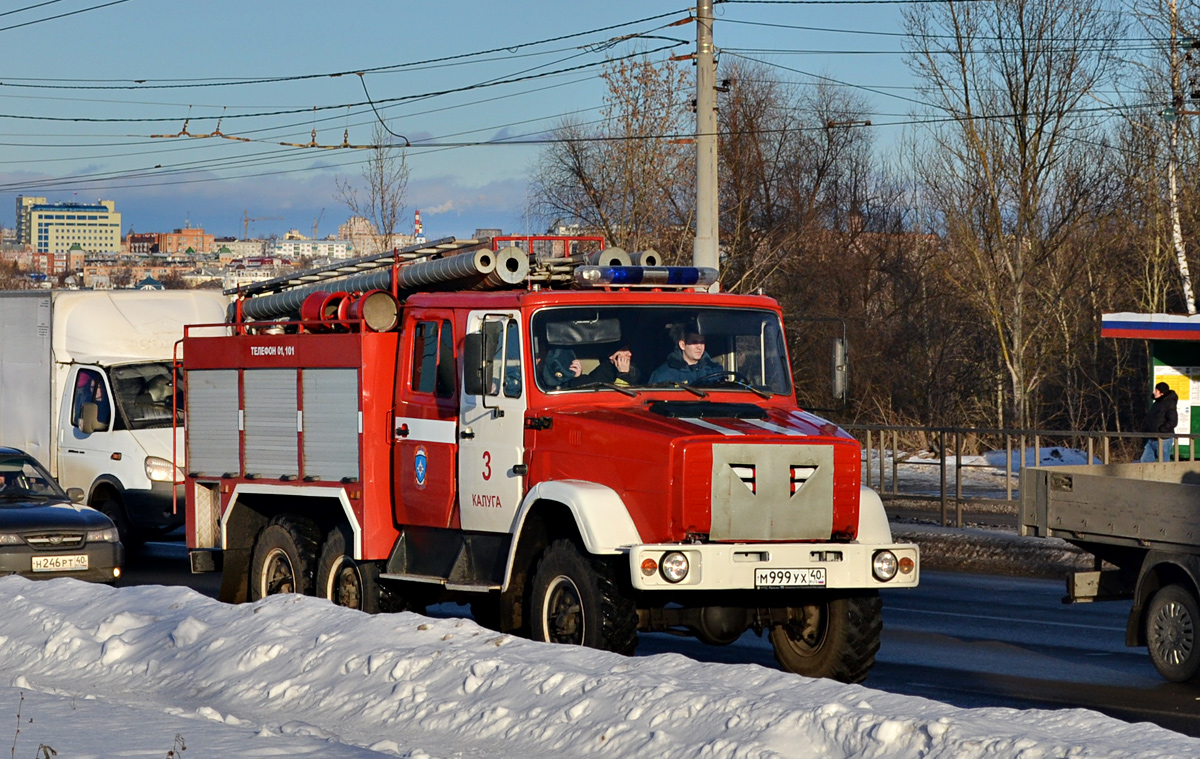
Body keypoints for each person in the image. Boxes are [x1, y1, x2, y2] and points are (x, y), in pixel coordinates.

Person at [648, 323, 723, 385]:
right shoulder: (663, 375)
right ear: (682, 345)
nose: (699, 347)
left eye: (702, 342)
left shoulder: (716, 371)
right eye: (694, 342)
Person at [541, 347, 640, 389]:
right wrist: (578, 377)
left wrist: (624, 374)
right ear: (611, 356)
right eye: (623, 350)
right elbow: (615, 399)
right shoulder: (603, 371)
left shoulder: (635, 370)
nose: (630, 354)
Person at [1141, 381, 1179, 463]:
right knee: (1145, 461)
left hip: (1164, 438)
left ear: (1162, 393)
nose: (1154, 392)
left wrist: (1161, 430)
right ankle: (1148, 476)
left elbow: (1173, 421)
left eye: (1156, 390)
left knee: (1163, 463)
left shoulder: (1169, 404)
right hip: (1151, 438)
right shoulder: (1157, 403)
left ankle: (1166, 476)